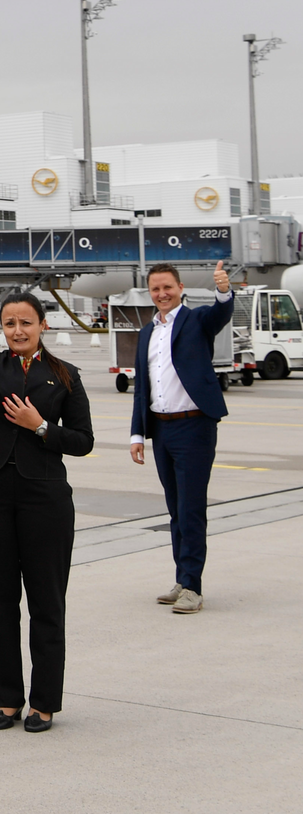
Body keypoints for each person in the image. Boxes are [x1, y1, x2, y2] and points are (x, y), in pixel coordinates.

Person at [0, 290, 94, 732]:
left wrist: (42, 427)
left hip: (44, 498)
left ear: (42, 326)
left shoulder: (65, 375)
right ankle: (7, 699)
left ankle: (44, 702)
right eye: (10, 323)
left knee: (46, 602)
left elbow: (83, 440)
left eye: (26, 323)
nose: (18, 331)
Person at [129, 261, 235, 614]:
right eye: (156, 289)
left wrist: (223, 289)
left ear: (180, 287)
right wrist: (137, 434)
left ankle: (193, 586)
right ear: (150, 291)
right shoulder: (147, 332)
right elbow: (141, 388)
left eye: (168, 287)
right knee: (175, 509)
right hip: (161, 428)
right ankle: (183, 577)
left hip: (194, 426)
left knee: (191, 509)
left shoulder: (196, 320)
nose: (162, 294)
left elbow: (221, 313)